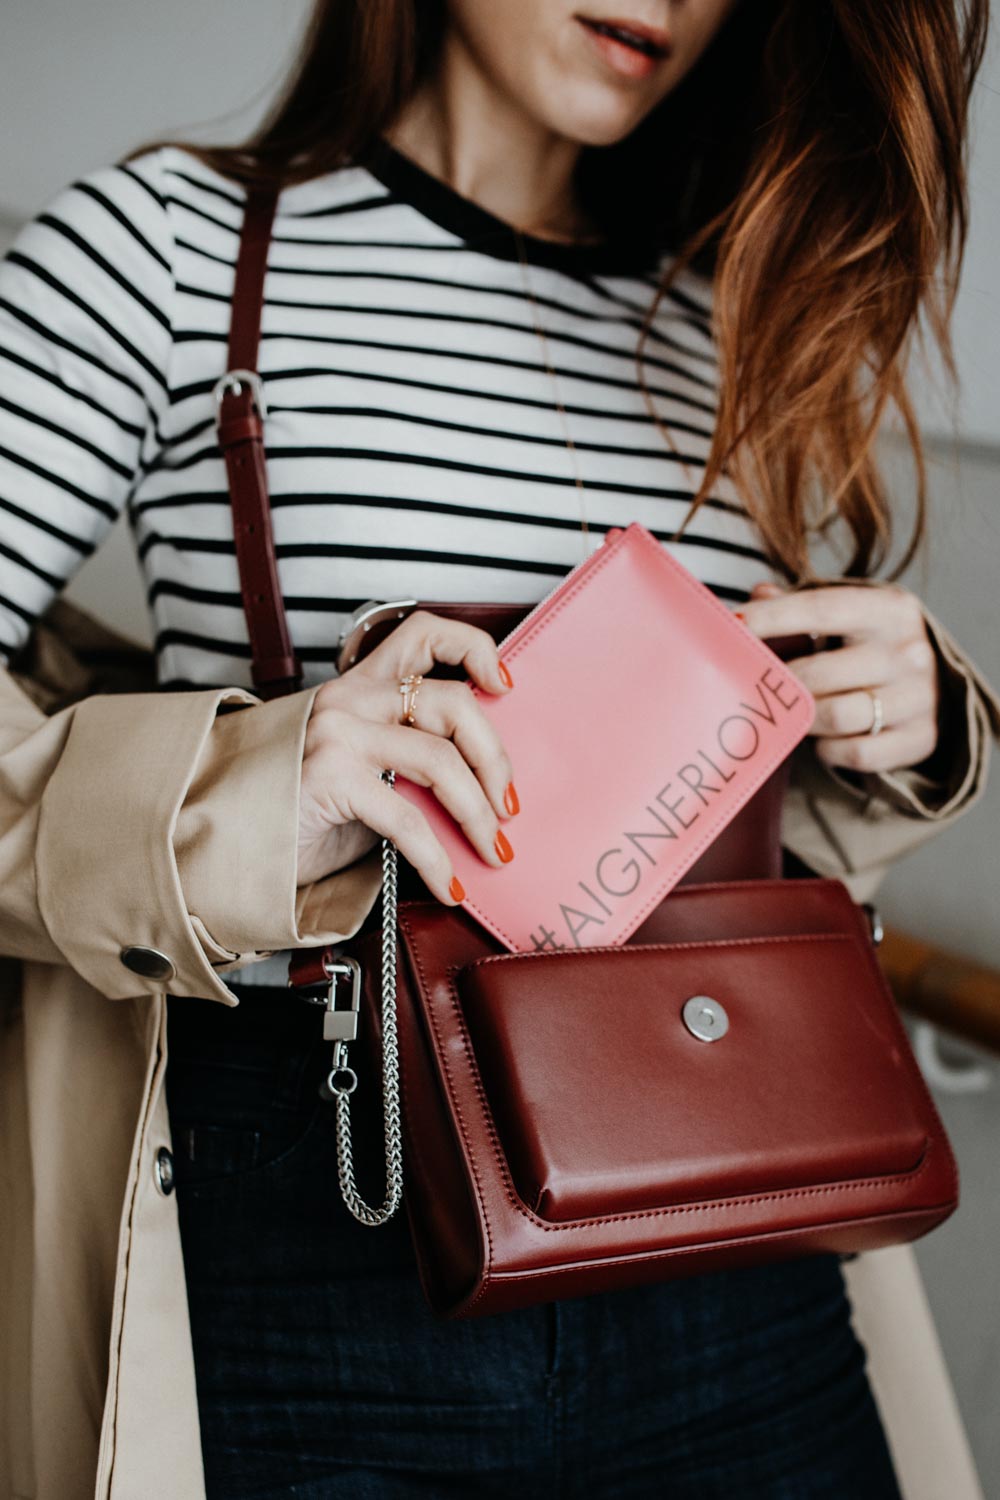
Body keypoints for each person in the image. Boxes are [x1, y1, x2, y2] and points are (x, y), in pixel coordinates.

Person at [1, 1, 998, 1497]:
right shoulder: (170, 252)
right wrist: (260, 788)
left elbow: (705, 828)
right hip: (322, 1231)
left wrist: (902, 717)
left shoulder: (751, 314)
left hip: (731, 1236)